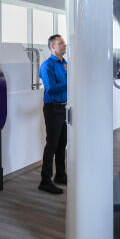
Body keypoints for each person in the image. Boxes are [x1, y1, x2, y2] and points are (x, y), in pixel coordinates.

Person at [38, 34, 68, 194]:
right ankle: (45, 180)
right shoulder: (47, 65)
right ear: (52, 47)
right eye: (60, 43)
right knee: (52, 145)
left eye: (63, 42)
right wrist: (70, 81)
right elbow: (50, 88)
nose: (64, 45)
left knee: (62, 144)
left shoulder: (65, 64)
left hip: (64, 108)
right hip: (53, 108)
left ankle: (60, 175)